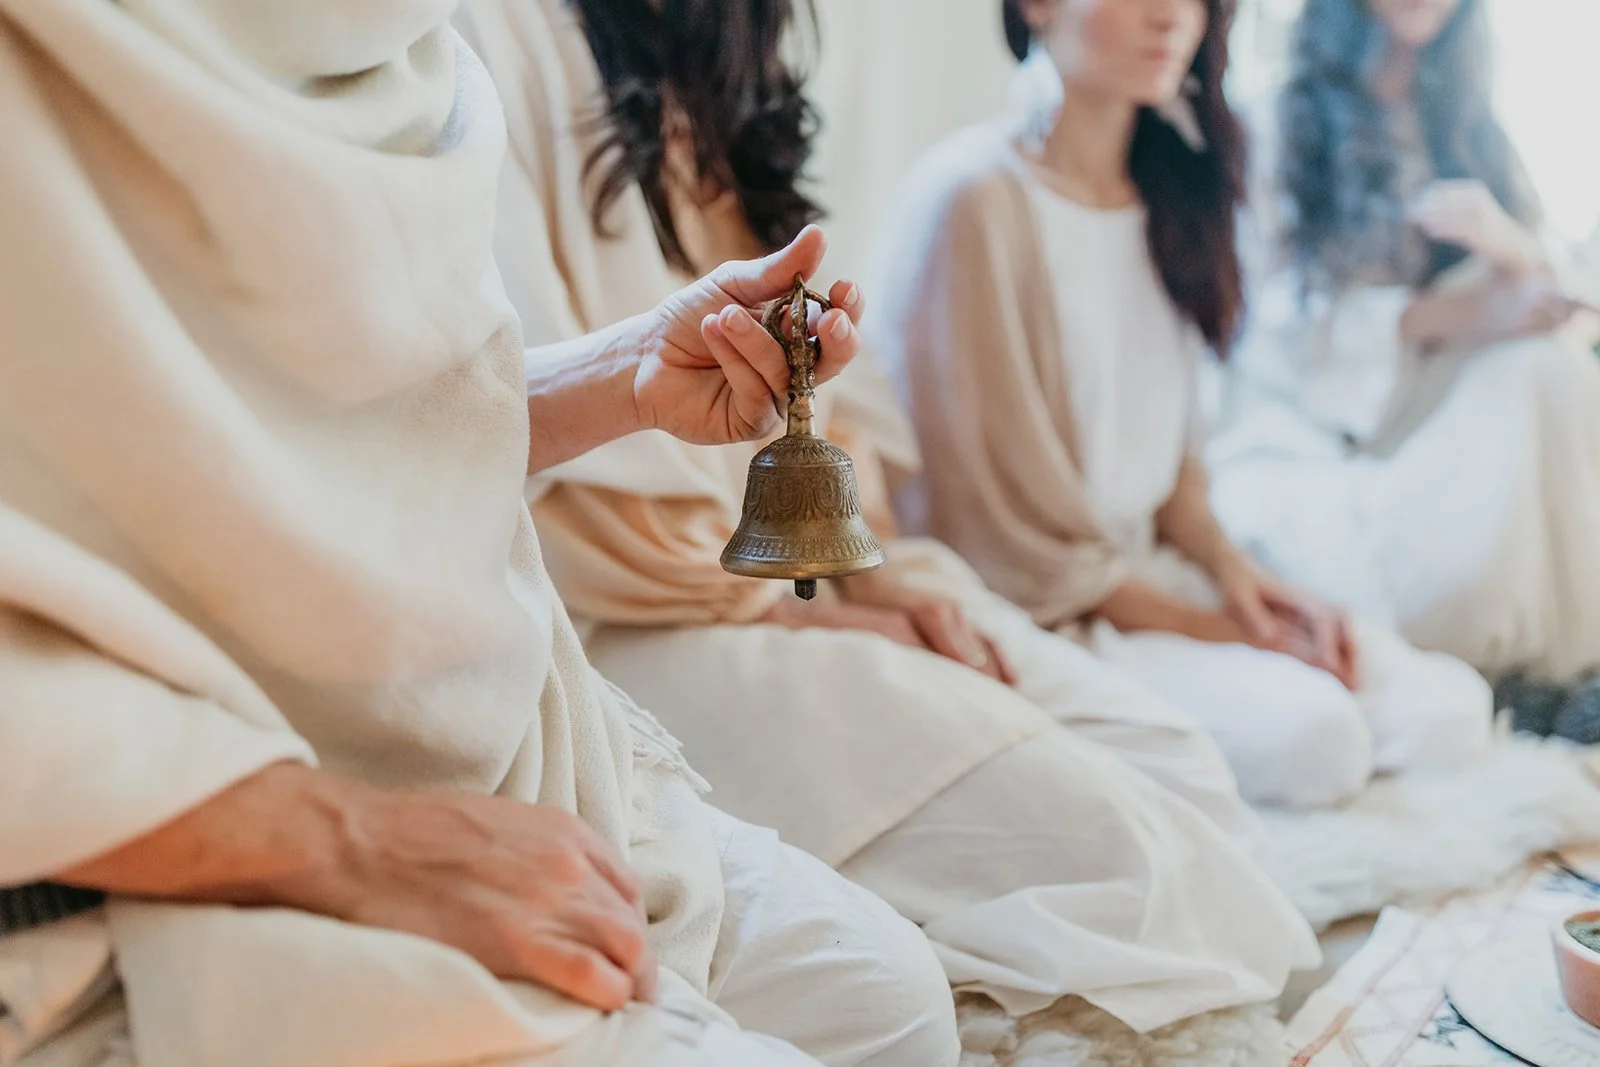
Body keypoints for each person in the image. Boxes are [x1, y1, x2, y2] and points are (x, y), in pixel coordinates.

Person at [0, 3, 963, 1065]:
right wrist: (349, 839)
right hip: (153, 815)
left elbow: (336, 426)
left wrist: (629, 368)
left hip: (522, 733)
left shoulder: (415, 49)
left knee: (892, 998)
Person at [459, 0, 1319, 1035]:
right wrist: (802, 614)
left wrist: (874, 574)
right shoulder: (497, 39)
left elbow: (832, 418)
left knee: (1184, 774)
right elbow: (503, 429)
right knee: (1135, 869)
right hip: (649, 617)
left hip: (821, 579)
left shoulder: (724, 56)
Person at [874, 0, 1494, 810]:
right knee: (1319, 739)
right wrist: (1221, 634)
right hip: (1054, 613)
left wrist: (1252, 586)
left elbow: (1176, 473)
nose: (1172, 17)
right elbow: (1005, 542)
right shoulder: (973, 199)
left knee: (1448, 710)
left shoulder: (1172, 190)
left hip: (1154, 574)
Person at [1206, 0, 1600, 707]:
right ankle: (1496, 662)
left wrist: (1511, 253)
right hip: (1326, 429)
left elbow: (1551, 294)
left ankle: (1559, 672)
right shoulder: (1277, 123)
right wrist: (1461, 314)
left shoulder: (1473, 129)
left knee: (1556, 369)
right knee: (1535, 372)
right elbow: (1273, 333)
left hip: (1447, 411)